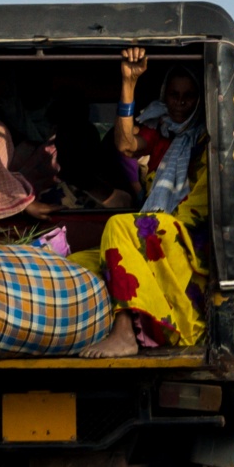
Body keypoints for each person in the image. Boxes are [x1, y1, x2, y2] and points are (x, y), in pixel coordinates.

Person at [79, 47, 213, 358]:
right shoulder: (162, 131)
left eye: (189, 96)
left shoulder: (208, 139)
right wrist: (129, 82)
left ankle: (125, 332)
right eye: (174, 95)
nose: (180, 103)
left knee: (118, 225)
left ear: (200, 99)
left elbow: (200, 210)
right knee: (79, 262)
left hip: (187, 238)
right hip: (158, 230)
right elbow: (126, 144)